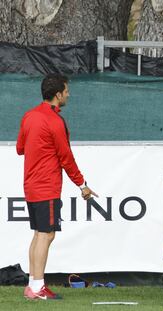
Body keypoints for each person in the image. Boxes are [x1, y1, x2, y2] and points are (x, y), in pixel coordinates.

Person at [16, 73, 98, 300]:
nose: (68, 94)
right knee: (46, 235)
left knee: (39, 234)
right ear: (57, 94)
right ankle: (37, 287)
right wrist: (82, 185)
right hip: (46, 185)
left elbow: (20, 148)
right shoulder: (54, 121)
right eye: (66, 90)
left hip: (31, 184)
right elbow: (66, 157)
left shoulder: (29, 116)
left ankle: (33, 285)